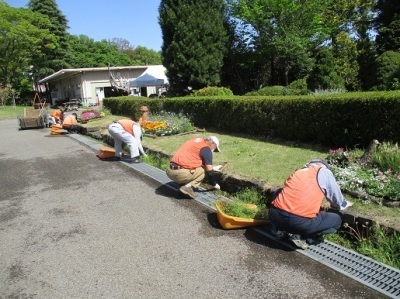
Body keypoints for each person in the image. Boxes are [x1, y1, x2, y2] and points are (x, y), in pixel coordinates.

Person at [268, 158, 353, 250]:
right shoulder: (324, 172)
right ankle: (304, 237)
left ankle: (278, 230)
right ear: (324, 166)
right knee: (337, 220)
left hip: (274, 215)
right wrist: (343, 204)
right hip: (299, 223)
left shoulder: (299, 172)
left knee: (279, 191)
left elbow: (285, 190)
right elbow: (337, 201)